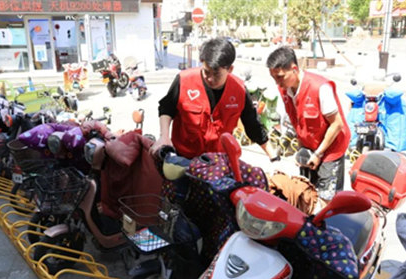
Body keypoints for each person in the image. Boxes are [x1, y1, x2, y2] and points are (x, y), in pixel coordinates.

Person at [150, 37, 278, 161]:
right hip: (184, 159)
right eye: (206, 72)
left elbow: (252, 126)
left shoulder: (239, 90)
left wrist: (273, 157)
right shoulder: (184, 80)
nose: (210, 79)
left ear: (230, 69)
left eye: (216, 74)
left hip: (219, 162)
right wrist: (164, 137)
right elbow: (166, 108)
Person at [266, 46, 350, 204]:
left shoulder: (320, 87)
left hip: (331, 147)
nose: (277, 82)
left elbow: (337, 125)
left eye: (280, 77)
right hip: (309, 146)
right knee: (306, 194)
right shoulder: (285, 88)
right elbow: (297, 121)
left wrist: (318, 154)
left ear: (294, 69)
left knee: (326, 199)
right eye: (274, 78)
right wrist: (301, 150)